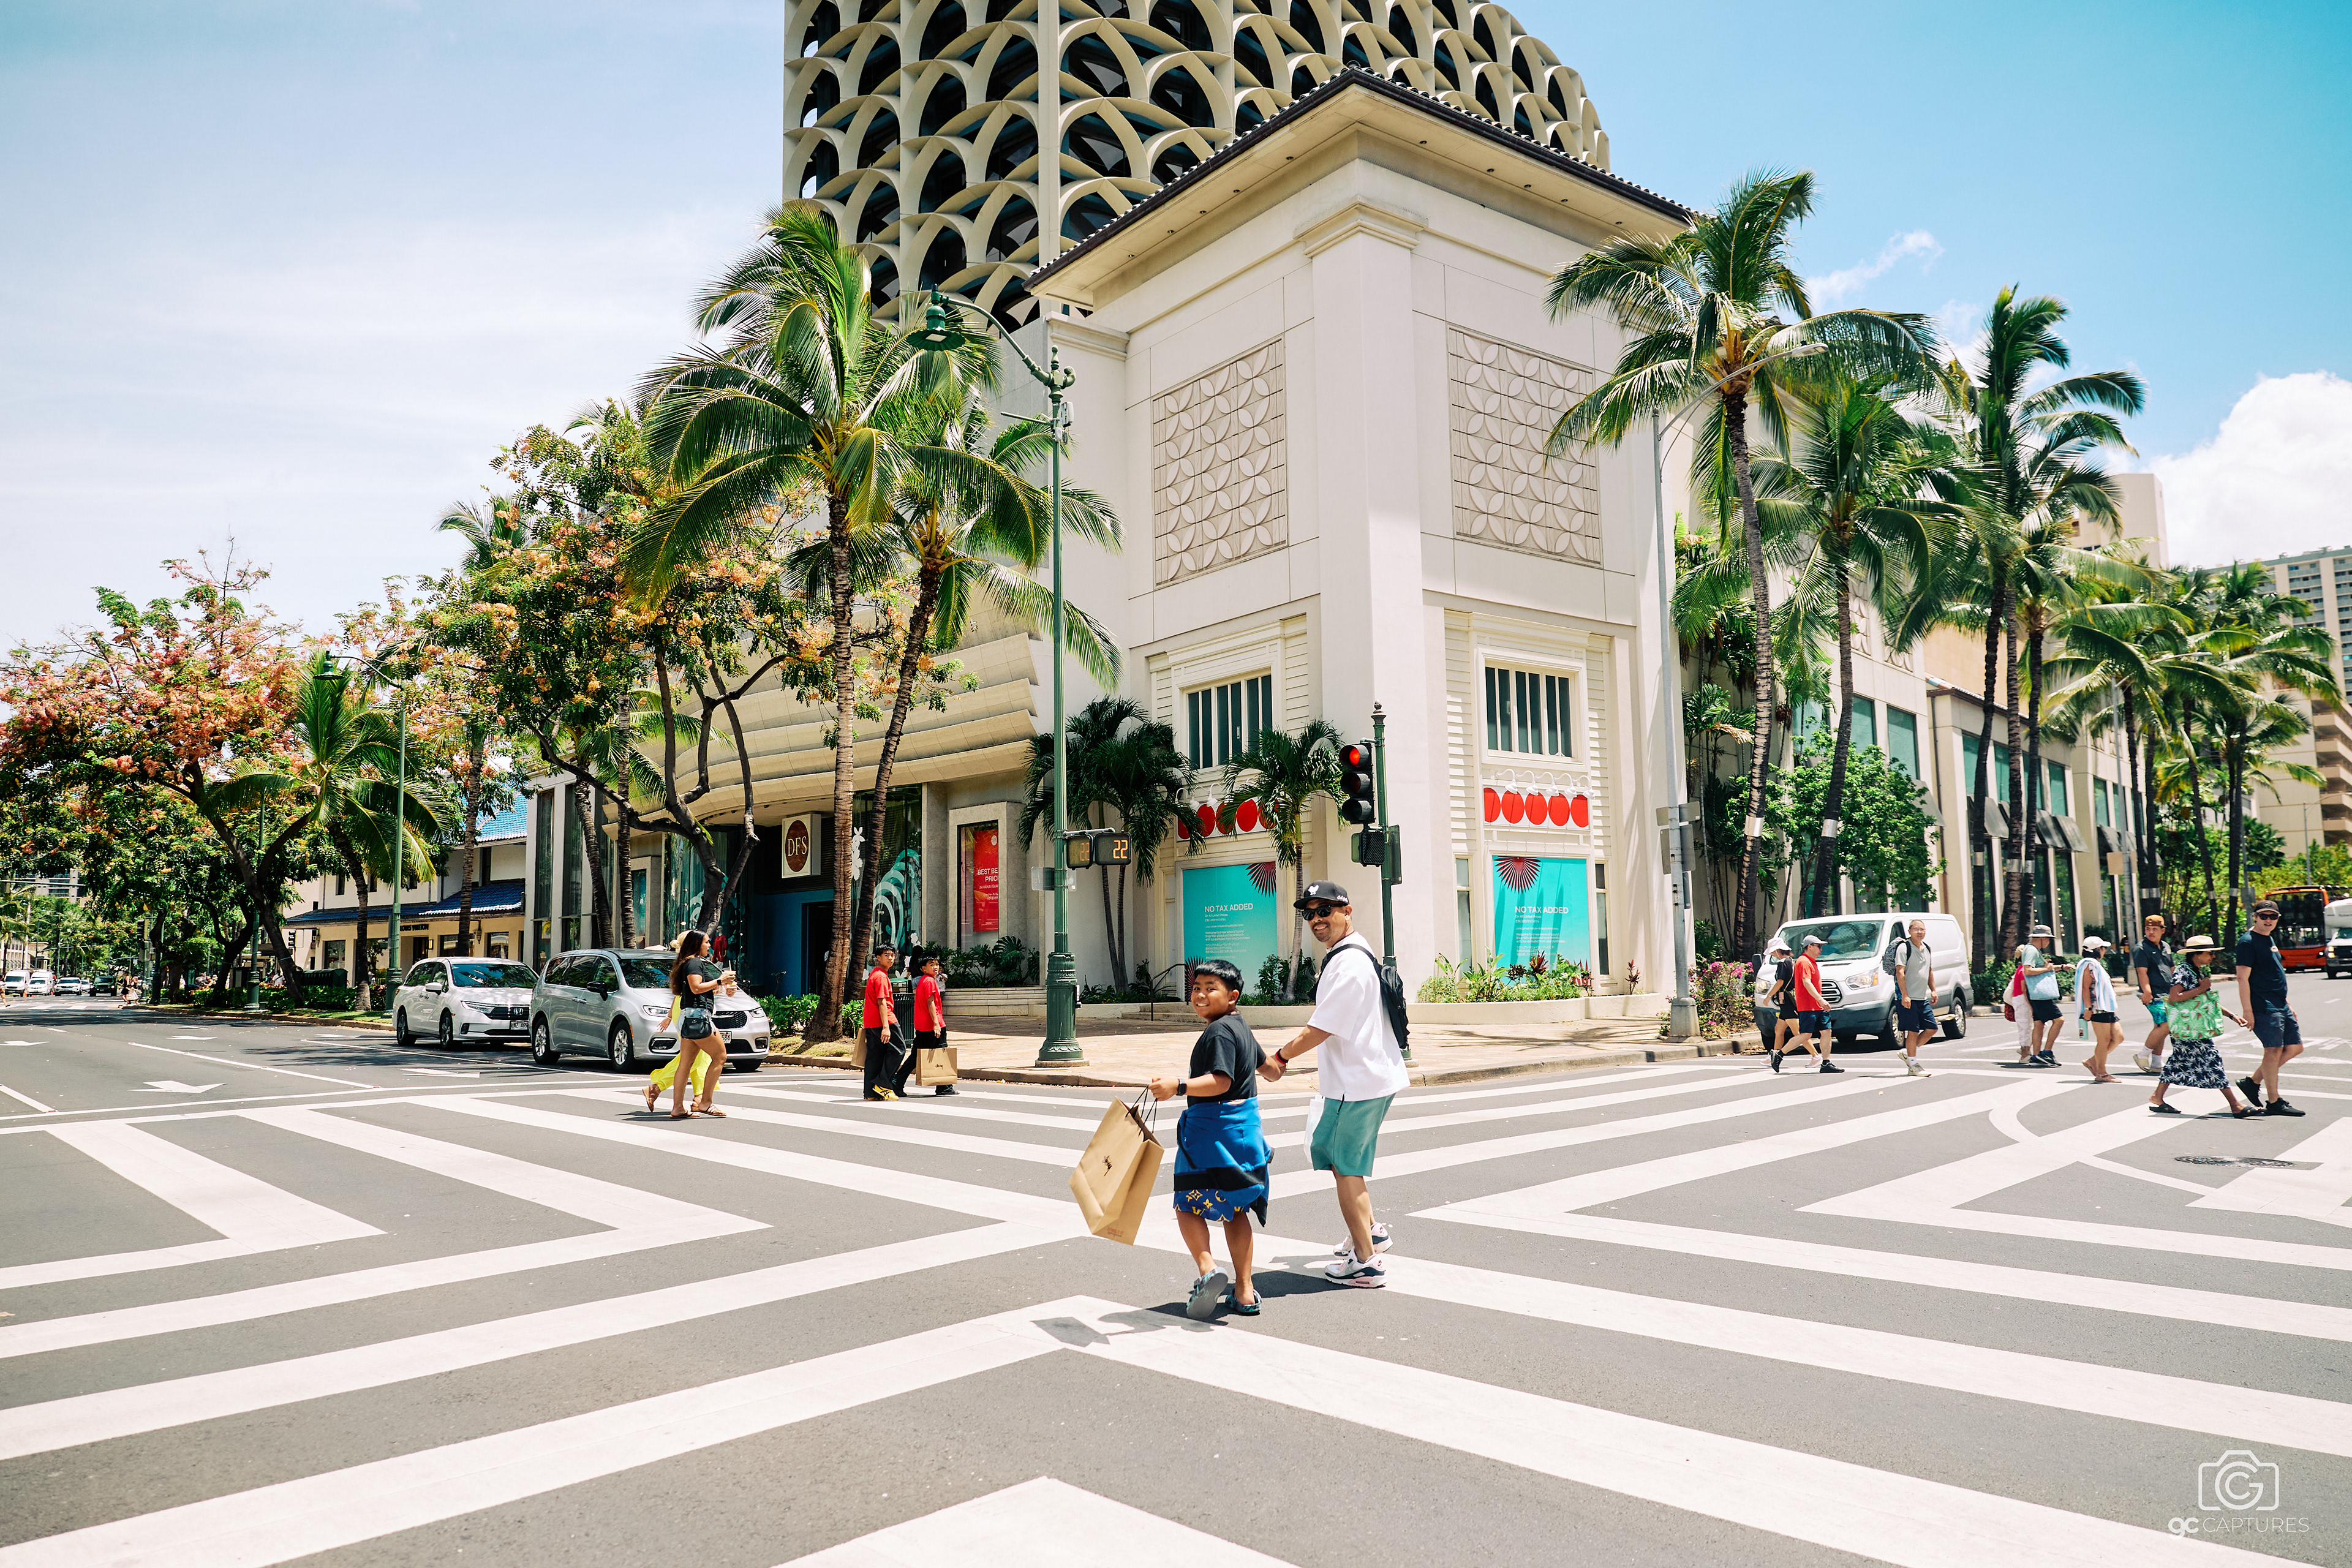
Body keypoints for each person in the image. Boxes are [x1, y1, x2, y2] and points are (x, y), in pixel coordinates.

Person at [1261, 881, 1411, 1287]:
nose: (1316, 920)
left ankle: (1366, 1262)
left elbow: (1321, 1028)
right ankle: (1372, 1230)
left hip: (1358, 1083)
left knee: (1347, 1168)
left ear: (1346, 911)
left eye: (1324, 911)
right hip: (1364, 1077)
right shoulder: (1350, 953)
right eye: (1309, 914)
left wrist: (1280, 1058)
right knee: (1336, 1155)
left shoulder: (1349, 964)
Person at [1150, 958, 1269, 1320]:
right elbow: (1271, 1070)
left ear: (1232, 996)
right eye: (1196, 988)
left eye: (1210, 989)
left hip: (1211, 1134)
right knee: (1235, 1209)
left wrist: (1178, 1086)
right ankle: (1245, 1292)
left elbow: (1221, 1081)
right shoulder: (1240, 1027)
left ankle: (1208, 1271)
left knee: (1186, 1204)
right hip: (1243, 1132)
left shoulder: (1218, 1033)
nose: (1200, 995)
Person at [2149, 936, 2256, 1118]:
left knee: (2178, 1061)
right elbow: (2175, 996)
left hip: (2191, 1028)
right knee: (2213, 1061)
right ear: (2196, 954)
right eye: (2209, 953)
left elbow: (2205, 1000)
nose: (2212, 957)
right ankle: (2235, 1105)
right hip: (2190, 1029)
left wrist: (2232, 1015)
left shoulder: (2195, 971)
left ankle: (2157, 1097)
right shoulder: (2184, 971)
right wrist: (2201, 988)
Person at [2234, 901, 2306, 1117]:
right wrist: (2248, 1011)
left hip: (2280, 1003)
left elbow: (2274, 974)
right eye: (2264, 916)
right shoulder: (2248, 942)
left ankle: (2253, 1081)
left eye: (2272, 917)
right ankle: (2274, 1101)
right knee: (2273, 1050)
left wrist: (2288, 1003)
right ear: (2255, 917)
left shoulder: (2269, 939)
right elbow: (2242, 978)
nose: (2268, 920)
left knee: (2295, 1047)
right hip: (2264, 1005)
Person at [662, 932, 728, 1120]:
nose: (710, 946)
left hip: (689, 1016)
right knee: (720, 1056)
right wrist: (721, 980)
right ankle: (705, 1102)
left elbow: (700, 989)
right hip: (698, 1017)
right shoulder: (695, 963)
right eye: (707, 942)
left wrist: (721, 987)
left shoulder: (688, 962)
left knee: (685, 1064)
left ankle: (678, 1108)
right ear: (697, 944)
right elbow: (696, 988)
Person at [892, 951, 957, 1097]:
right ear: (923, 968)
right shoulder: (929, 981)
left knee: (916, 1056)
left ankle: (897, 1083)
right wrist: (936, 1024)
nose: (935, 967)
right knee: (941, 1052)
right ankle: (944, 1087)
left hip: (922, 1026)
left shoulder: (922, 980)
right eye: (931, 965)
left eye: (937, 964)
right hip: (932, 1026)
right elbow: (931, 1002)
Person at [1782, 933, 1841, 1073]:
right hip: (1808, 1005)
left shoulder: (1811, 962)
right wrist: (1821, 999)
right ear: (1810, 947)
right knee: (1806, 1035)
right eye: (1819, 947)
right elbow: (1806, 982)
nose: (1821, 950)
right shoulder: (1803, 961)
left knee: (1826, 1032)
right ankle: (1779, 1054)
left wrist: (1820, 1001)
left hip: (1817, 1006)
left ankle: (1826, 1063)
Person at [1891, 918, 1935, 1077]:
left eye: (1922, 929)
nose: (1920, 932)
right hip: (1908, 997)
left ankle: (1908, 1054)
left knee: (1932, 1028)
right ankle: (1913, 1065)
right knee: (1913, 1031)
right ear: (1909, 931)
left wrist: (1934, 990)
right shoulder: (1904, 948)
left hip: (1922, 997)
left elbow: (1929, 970)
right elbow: (1900, 972)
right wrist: (1905, 995)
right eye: (1916, 929)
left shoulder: (1927, 948)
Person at [2131, 914, 2174, 1076]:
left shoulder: (2166, 946)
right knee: (2166, 1024)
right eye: (2148, 929)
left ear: (2163, 930)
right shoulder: (2141, 948)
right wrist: (2147, 992)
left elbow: (2171, 969)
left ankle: (2156, 1062)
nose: (2151, 932)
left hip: (2168, 993)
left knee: (2160, 1027)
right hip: (2154, 994)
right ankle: (2143, 1054)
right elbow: (2142, 973)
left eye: (2155, 929)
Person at [2075, 935, 2122, 1082]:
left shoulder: (2094, 964)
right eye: (2103, 948)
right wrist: (2088, 1008)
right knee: (2104, 1040)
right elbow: (2085, 988)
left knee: (2118, 1037)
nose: (2104, 951)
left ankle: (2093, 1062)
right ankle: (2101, 1073)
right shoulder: (2089, 965)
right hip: (2097, 1008)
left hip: (2106, 1008)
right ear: (2097, 950)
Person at [860, 944, 902, 1102]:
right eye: (886, 955)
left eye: (892, 955)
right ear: (878, 958)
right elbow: (882, 1002)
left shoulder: (875, 974)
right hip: (884, 1020)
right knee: (899, 1050)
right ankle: (883, 1084)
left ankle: (870, 1092)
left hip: (871, 1022)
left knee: (875, 1056)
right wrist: (886, 1027)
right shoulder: (881, 977)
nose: (890, 958)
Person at [2018, 932, 2064, 1067]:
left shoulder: (2032, 949)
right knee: (2059, 1020)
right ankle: (2047, 1052)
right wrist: (2046, 969)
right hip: (2040, 993)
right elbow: (2028, 971)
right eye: (2049, 939)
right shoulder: (2031, 950)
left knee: (2039, 1023)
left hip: (2036, 993)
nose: (2049, 942)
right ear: (2042, 938)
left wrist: (2060, 967)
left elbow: (2041, 969)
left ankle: (2037, 1056)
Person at [1762, 941, 1797, 1065]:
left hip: (1787, 1002)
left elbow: (1780, 982)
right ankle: (1773, 1054)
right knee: (1779, 1030)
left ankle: (1816, 1056)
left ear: (1777, 951)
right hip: (1786, 1002)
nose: (1773, 954)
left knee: (1798, 1034)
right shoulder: (1791, 962)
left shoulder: (1783, 963)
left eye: (1773, 952)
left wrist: (1769, 996)